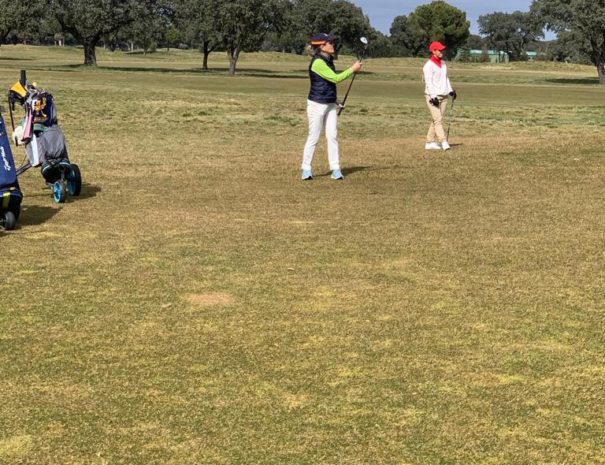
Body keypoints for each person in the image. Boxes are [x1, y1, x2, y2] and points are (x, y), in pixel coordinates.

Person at [301, 33, 363, 180]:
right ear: (322, 46)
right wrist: (352, 69)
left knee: (332, 136)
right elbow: (335, 78)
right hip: (316, 104)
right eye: (330, 43)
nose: (333, 45)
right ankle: (306, 169)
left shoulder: (328, 60)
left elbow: (328, 84)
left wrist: (335, 100)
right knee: (314, 137)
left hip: (329, 104)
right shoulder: (317, 63)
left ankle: (335, 169)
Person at [423, 41, 457, 151]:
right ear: (433, 51)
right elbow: (428, 82)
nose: (442, 51)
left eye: (442, 49)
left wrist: (450, 90)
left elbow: (446, 78)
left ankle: (429, 142)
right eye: (439, 50)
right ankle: (443, 141)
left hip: (444, 95)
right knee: (438, 120)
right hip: (432, 96)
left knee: (436, 119)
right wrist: (433, 97)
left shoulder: (443, 64)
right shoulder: (428, 66)